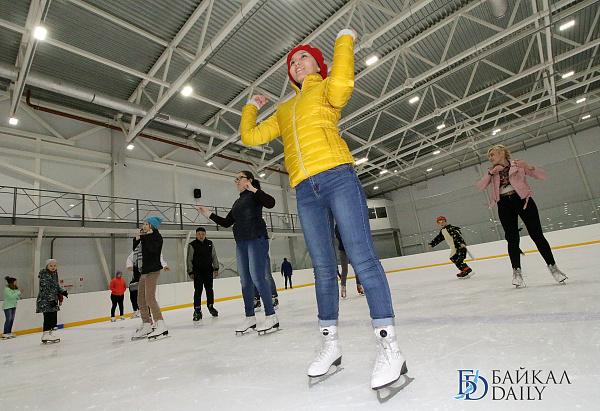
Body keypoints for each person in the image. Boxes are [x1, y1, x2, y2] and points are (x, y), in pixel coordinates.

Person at [240, 29, 406, 390]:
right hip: (305, 190)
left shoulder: (327, 89)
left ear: (317, 64)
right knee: (323, 269)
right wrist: (251, 106)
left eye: (303, 57)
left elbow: (344, 83)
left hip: (338, 177)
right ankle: (330, 344)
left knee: (362, 259)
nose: (296, 63)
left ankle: (389, 346)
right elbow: (250, 137)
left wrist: (344, 40)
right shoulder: (284, 109)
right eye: (292, 62)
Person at [477, 144, 568, 287]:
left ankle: (554, 268)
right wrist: (491, 173)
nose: (490, 158)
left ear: (502, 153)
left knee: (537, 235)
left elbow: (542, 176)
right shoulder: (492, 172)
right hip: (504, 205)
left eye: (492, 154)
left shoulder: (518, 165)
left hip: (523, 201)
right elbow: (480, 187)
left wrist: (528, 167)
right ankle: (517, 273)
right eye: (489, 156)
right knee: (512, 239)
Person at [199, 171, 279, 334]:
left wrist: (254, 189)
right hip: (241, 242)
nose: (236, 181)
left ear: (249, 180)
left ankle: (271, 316)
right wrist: (208, 214)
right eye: (235, 179)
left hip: (256, 238)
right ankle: (250, 317)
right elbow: (227, 222)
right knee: (245, 281)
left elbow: (271, 203)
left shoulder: (255, 195)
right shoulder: (238, 202)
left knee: (258, 277)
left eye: (239, 178)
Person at [131, 217, 169, 340]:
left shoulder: (156, 237)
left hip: (153, 270)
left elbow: (152, 250)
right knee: (140, 299)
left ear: (152, 226)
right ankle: (146, 324)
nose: (144, 226)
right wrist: (137, 239)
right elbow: (136, 251)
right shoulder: (144, 237)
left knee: (150, 298)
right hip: (144, 271)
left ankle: (160, 323)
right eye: (144, 224)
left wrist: (145, 237)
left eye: (147, 224)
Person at [127, 247, 170, 320]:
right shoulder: (137, 249)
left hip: (151, 272)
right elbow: (130, 259)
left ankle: (158, 320)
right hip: (141, 274)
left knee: (149, 298)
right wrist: (132, 267)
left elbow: (159, 258)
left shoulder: (153, 248)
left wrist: (164, 266)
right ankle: (146, 321)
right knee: (141, 300)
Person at [187, 227, 220, 320]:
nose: (201, 236)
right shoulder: (192, 245)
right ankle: (197, 309)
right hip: (197, 271)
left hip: (208, 270)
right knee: (198, 290)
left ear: (205, 234)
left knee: (209, 289)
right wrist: (190, 271)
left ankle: (210, 306)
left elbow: (214, 256)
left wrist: (216, 267)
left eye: (203, 234)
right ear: (196, 235)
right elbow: (189, 259)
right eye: (199, 234)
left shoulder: (210, 243)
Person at [36, 259, 68, 344]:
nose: (53, 267)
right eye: (51, 266)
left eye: (54, 265)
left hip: (52, 298)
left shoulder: (54, 274)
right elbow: (46, 289)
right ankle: (46, 333)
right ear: (47, 266)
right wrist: (51, 300)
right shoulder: (45, 275)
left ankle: (48, 333)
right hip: (46, 299)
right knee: (48, 316)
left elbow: (55, 286)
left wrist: (62, 291)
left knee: (52, 316)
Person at [335, 225, 363, 298]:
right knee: (344, 269)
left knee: (357, 268)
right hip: (343, 249)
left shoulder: (350, 223)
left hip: (352, 249)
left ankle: (359, 284)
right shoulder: (338, 226)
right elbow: (338, 235)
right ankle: (343, 287)